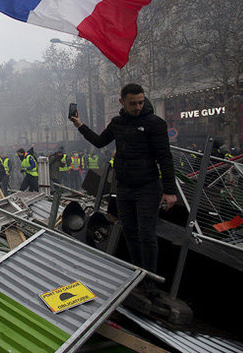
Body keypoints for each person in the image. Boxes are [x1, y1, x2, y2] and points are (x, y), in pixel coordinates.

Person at [69, 83, 177, 290]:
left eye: (141, 102)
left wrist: (170, 191)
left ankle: (150, 282)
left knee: (147, 233)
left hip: (148, 187)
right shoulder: (117, 123)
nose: (138, 107)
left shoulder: (155, 123)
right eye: (133, 103)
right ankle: (137, 275)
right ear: (122, 102)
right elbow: (99, 141)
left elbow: (165, 157)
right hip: (124, 187)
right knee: (129, 231)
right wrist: (79, 125)